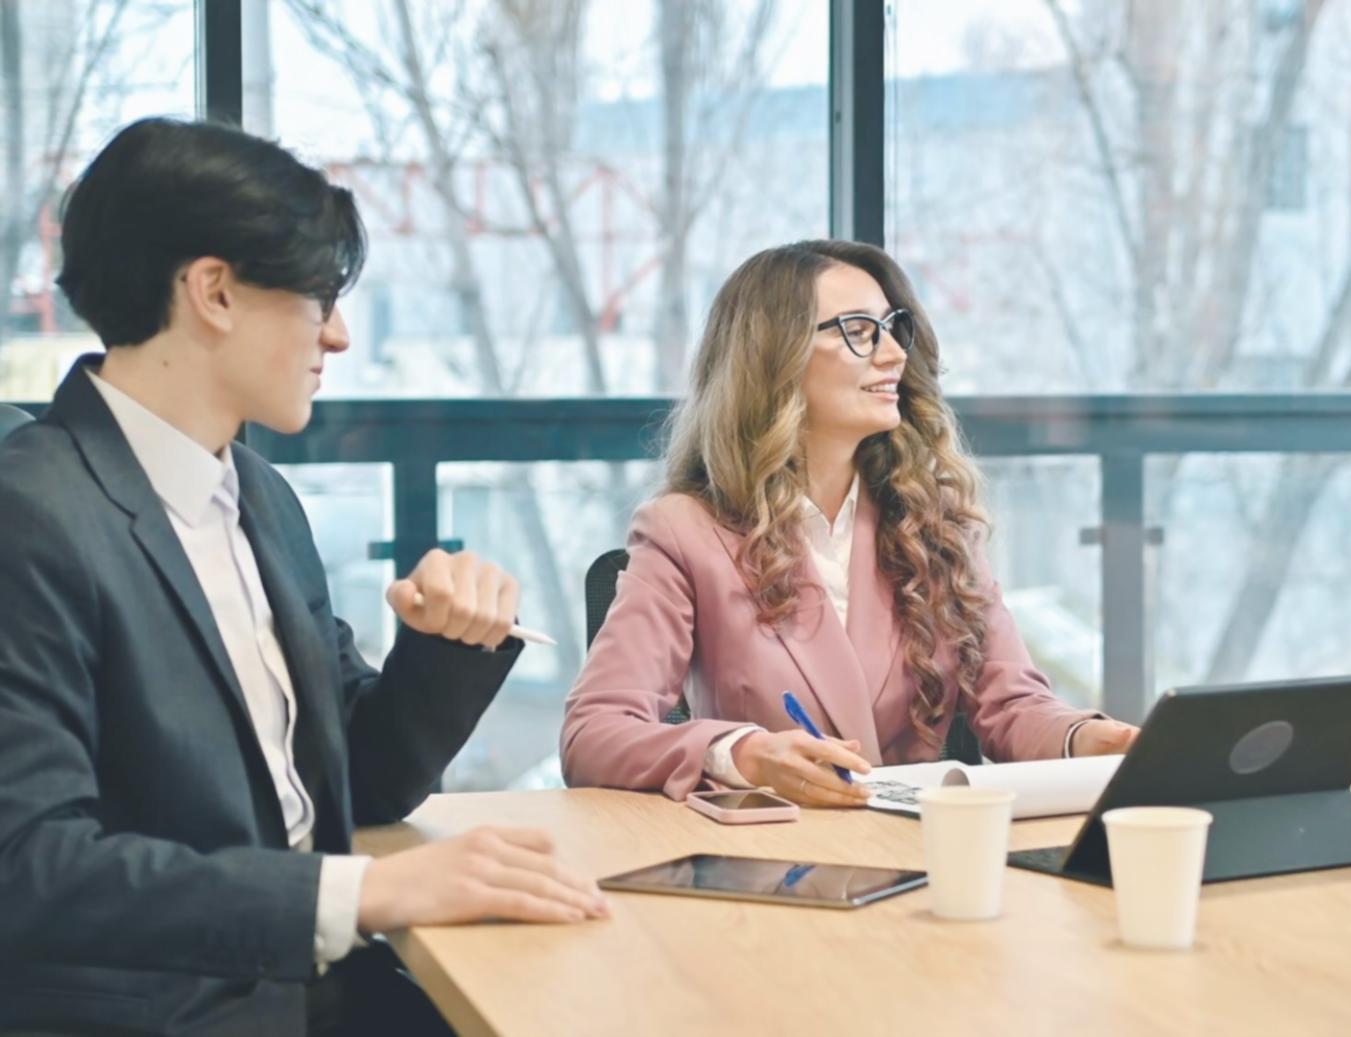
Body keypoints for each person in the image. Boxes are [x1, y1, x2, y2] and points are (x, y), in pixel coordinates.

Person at [0, 118, 607, 1037]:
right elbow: (32, 864)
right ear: (213, 292)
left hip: (316, 982)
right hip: (170, 1006)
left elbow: (350, 787)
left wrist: (444, 650)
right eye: (319, 296)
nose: (340, 333)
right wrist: (366, 888)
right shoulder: (32, 514)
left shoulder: (259, 496)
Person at [561, 240, 1138, 805]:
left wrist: (1084, 738)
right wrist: (739, 753)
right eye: (860, 332)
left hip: (915, 859)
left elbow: (1011, 704)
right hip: (769, 868)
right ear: (774, 357)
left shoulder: (935, 525)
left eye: (892, 329)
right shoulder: (684, 531)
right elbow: (594, 734)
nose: (893, 355)